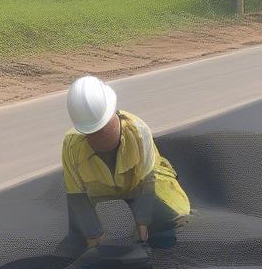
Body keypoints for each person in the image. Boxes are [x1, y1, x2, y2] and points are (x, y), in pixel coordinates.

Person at [58, 75, 191, 258]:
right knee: (78, 237)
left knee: (175, 214)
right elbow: (77, 196)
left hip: (139, 184)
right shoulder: (71, 146)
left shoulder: (138, 131)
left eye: (103, 129)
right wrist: (93, 238)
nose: (100, 136)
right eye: (93, 132)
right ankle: (82, 238)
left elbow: (147, 180)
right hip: (101, 192)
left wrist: (142, 228)